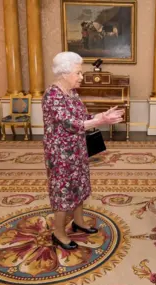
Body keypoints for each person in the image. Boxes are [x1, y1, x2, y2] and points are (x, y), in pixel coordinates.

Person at [42, 52, 124, 249]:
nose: (81, 77)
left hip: (77, 149)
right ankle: (59, 233)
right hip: (60, 154)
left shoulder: (72, 93)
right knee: (63, 192)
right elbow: (70, 124)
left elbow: (83, 115)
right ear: (64, 73)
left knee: (78, 186)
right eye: (78, 73)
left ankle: (78, 222)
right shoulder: (52, 95)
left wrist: (101, 115)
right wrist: (100, 121)